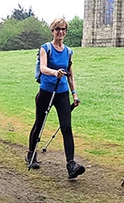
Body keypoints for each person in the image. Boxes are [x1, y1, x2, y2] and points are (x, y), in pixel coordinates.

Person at [26, 17, 85, 179]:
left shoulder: (68, 51)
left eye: (63, 29)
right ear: (52, 31)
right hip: (46, 92)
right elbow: (43, 68)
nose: (60, 32)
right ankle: (31, 154)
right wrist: (54, 72)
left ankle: (71, 165)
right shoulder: (46, 48)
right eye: (57, 29)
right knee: (39, 124)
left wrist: (74, 94)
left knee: (66, 127)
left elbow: (70, 75)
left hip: (62, 93)